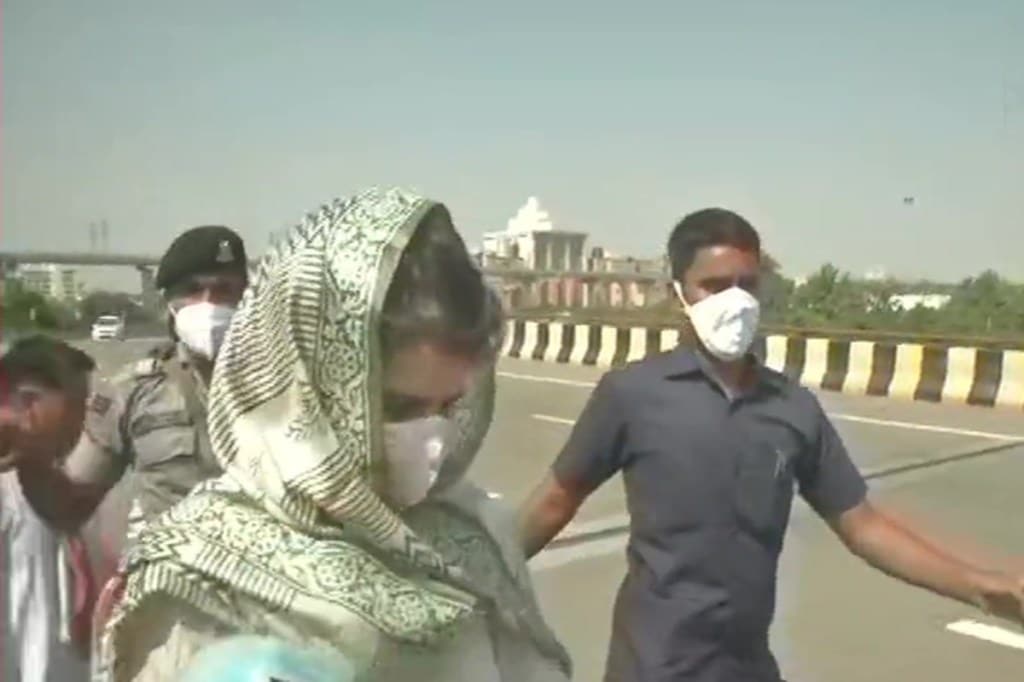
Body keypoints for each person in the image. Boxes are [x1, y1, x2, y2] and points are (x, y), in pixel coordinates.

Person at [517, 208, 1024, 682]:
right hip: (653, 665)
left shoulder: (792, 407)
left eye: (747, 284)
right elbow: (555, 501)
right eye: (715, 286)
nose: (735, 301)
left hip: (747, 667)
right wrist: (476, 577)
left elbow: (863, 525)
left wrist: (980, 586)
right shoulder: (633, 394)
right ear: (679, 294)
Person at [94, 188, 572, 682]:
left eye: (448, 407)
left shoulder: (478, 531)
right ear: (312, 388)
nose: (431, 437)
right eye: (399, 408)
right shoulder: (198, 580)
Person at [11, 225, 249, 549]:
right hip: (175, 573)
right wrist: (30, 455)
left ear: (246, 298)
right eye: (193, 290)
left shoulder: (293, 383)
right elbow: (69, 504)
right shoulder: (131, 391)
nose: (210, 303)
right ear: (169, 303)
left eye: (225, 290)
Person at [0, 335, 98, 682]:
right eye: (77, 406)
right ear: (30, 404)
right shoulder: (10, 493)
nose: (82, 423)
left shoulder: (45, 483)